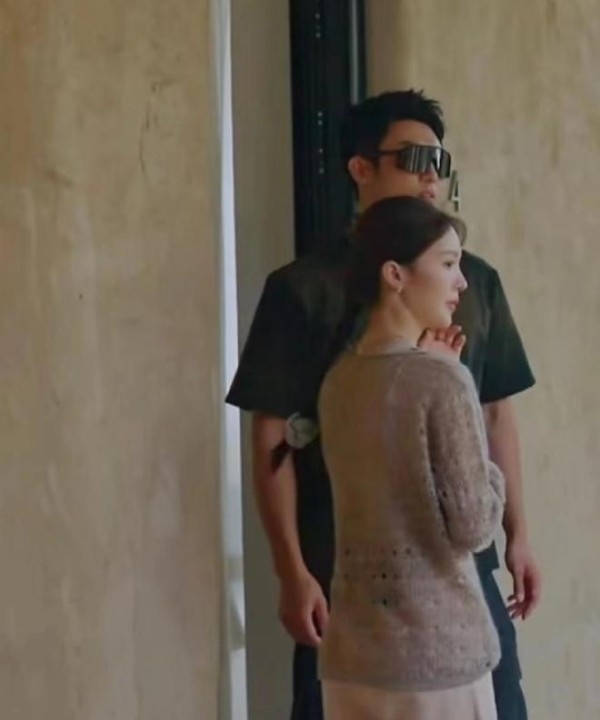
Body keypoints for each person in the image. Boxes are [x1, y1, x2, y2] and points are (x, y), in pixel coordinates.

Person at [226, 90, 541, 720]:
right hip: (344, 575)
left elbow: (496, 413)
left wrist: (520, 535)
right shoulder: (303, 289)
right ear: (360, 168)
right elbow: (272, 438)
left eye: (440, 161)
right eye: (414, 157)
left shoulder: (473, 282)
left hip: (459, 573)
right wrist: (291, 570)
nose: (431, 175)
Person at [318, 195, 504, 720]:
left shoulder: (339, 381)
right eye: (448, 264)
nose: (461, 282)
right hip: (436, 660)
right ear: (395, 275)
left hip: (352, 662)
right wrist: (488, 464)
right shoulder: (441, 380)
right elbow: (474, 525)